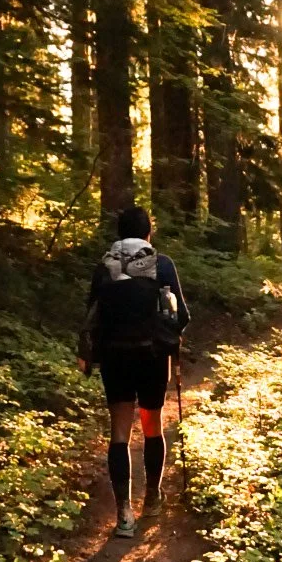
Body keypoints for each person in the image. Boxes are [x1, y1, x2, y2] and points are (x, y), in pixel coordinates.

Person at [79, 205, 190, 538]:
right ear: (148, 233)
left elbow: (92, 318)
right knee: (152, 424)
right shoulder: (162, 264)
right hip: (152, 356)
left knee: (120, 431)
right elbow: (181, 316)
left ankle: (123, 514)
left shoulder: (104, 267)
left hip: (115, 359)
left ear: (118, 233)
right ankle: (152, 499)